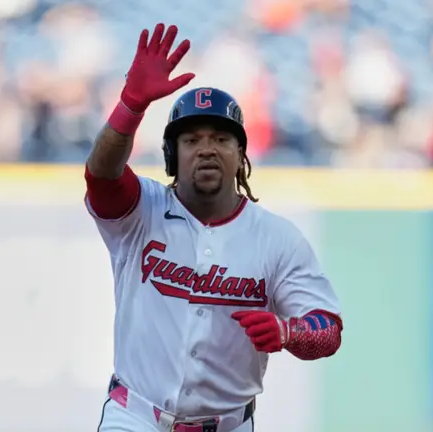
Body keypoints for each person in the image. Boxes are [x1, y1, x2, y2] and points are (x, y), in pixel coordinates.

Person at [84, 23, 343, 432]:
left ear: (241, 154)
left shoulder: (276, 238)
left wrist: (289, 331)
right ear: (172, 155)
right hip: (134, 417)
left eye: (221, 139)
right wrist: (130, 106)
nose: (206, 148)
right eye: (191, 140)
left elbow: (327, 328)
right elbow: (100, 176)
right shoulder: (141, 210)